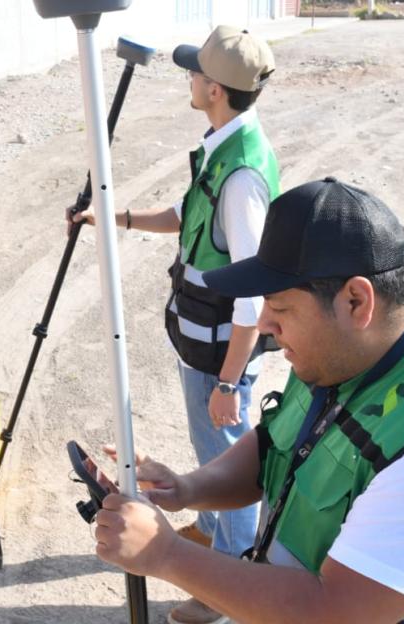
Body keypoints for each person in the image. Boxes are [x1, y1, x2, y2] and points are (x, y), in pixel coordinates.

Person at [90, 178, 404, 623]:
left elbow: (332, 611)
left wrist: (167, 554)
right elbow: (279, 444)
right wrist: (188, 488)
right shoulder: (354, 349)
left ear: (356, 301)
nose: (264, 325)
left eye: (279, 307)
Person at [73, 25, 279, 624]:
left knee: (226, 461)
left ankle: (226, 585)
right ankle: (212, 532)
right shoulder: (223, 145)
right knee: (210, 455)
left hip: (222, 356)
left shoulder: (242, 178)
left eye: (195, 72)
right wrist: (118, 217)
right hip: (205, 346)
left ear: (214, 89)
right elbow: (187, 216)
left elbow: (253, 296)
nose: (188, 77)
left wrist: (228, 383)